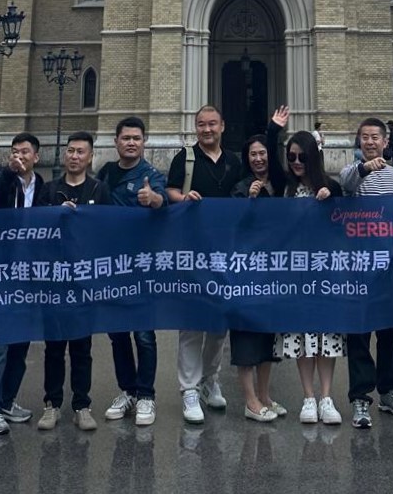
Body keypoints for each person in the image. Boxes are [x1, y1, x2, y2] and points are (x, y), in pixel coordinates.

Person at [167, 104, 245, 422]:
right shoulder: (183, 158)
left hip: (224, 252)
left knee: (218, 324)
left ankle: (209, 379)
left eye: (212, 124)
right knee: (191, 323)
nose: (207, 129)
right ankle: (188, 389)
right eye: (201, 124)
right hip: (191, 250)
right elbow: (170, 190)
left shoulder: (234, 161)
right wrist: (182, 199)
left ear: (222, 126)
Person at [339, 117, 393, 428]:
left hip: (387, 267)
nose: (370, 142)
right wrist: (363, 169)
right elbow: (347, 185)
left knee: (388, 332)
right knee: (358, 334)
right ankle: (360, 398)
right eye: (364, 137)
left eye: (375, 137)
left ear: (386, 142)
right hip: (357, 267)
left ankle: (389, 391)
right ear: (359, 143)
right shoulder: (350, 171)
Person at [0, 132, 53, 435]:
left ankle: (7, 401)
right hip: (2, 272)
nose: (19, 156)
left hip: (30, 273)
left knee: (21, 341)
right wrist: (8, 171)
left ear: (37, 156)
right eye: (15, 151)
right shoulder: (4, 182)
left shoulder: (44, 189)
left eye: (25, 152)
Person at [97, 116, 167, 427]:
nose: (131, 142)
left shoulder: (151, 174)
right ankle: (127, 390)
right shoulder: (107, 174)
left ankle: (147, 395)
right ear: (116, 141)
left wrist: (153, 200)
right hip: (113, 264)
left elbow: (162, 203)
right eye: (125, 137)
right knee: (118, 332)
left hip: (142, 265)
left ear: (144, 141)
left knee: (144, 334)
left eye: (136, 138)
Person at [39, 131, 111, 433]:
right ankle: (52, 405)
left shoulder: (99, 189)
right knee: (54, 347)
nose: (75, 156)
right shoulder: (49, 189)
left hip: (84, 281)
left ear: (90, 157)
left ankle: (82, 405)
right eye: (70, 151)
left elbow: (108, 229)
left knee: (82, 347)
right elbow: (36, 229)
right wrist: (56, 216)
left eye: (81, 152)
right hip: (55, 280)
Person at [274, 130, 345, 425]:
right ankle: (308, 397)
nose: (296, 162)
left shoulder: (331, 187)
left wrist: (332, 197)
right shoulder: (286, 188)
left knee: (325, 334)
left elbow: (347, 219)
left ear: (313, 157)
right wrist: (274, 130)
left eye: (302, 157)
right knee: (301, 336)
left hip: (325, 272)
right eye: (291, 157)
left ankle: (326, 397)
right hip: (295, 273)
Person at [230, 106, 290, 421]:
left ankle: (266, 395)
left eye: (262, 153)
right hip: (246, 270)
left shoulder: (278, 182)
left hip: (274, 269)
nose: (258, 158)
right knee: (244, 336)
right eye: (253, 154)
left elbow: (280, 166)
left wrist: (273, 130)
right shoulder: (240, 187)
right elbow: (231, 226)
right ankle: (251, 400)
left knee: (269, 335)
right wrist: (248, 201)